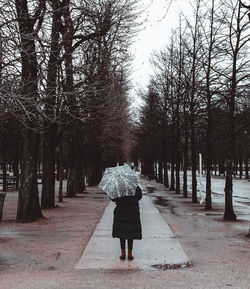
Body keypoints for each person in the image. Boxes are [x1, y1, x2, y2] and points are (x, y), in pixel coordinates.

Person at [112, 186, 142, 260]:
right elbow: (139, 196)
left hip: (121, 211)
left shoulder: (119, 187)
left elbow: (113, 198)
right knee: (130, 232)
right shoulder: (135, 187)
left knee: (122, 232)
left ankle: (123, 253)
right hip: (132, 211)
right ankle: (130, 252)